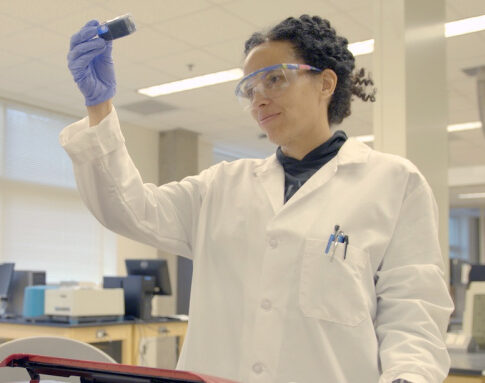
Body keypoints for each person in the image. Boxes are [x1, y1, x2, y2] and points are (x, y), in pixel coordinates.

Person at [62, 15, 454, 383]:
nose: (258, 100)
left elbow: (414, 313)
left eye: (275, 80)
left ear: (326, 83)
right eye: (249, 90)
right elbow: (128, 210)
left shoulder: (393, 183)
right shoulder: (220, 186)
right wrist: (99, 107)